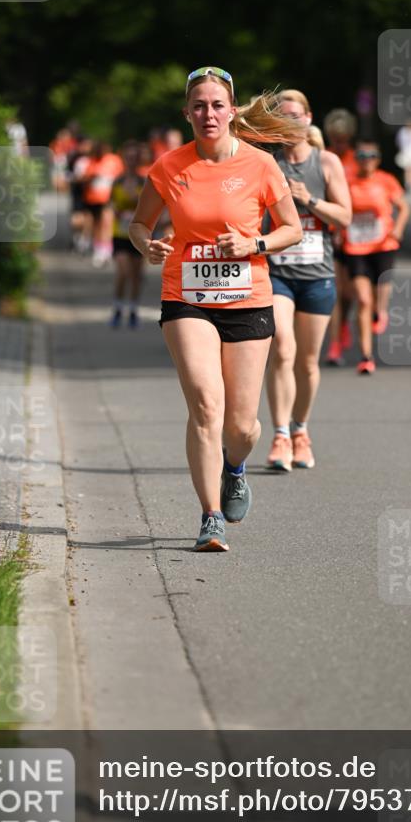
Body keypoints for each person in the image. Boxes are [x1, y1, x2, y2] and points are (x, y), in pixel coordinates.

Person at [129, 66, 304, 551]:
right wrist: (148, 246)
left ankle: (235, 468)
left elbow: (292, 229)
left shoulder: (261, 165)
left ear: (231, 111)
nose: (208, 114)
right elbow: (138, 224)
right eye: (199, 106)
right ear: (187, 113)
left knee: (242, 426)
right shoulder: (169, 166)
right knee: (206, 403)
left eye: (216, 105)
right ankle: (209, 517)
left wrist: (254, 243)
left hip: (248, 297)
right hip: (185, 296)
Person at [263, 90, 352, 471]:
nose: (291, 123)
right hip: (278, 272)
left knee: (308, 361)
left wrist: (308, 199)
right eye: (282, 118)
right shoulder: (268, 163)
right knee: (282, 347)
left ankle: (301, 430)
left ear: (308, 118)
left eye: (296, 116)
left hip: (318, 276)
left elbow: (344, 217)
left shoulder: (327, 162)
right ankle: (281, 435)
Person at [340, 141, 410, 374]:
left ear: (378, 159)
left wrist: (398, 228)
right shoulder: (348, 183)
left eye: (372, 155)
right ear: (357, 158)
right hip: (355, 247)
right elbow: (340, 210)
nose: (367, 159)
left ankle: (381, 311)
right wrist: (337, 232)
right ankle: (366, 356)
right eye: (362, 155)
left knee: (380, 290)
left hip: (383, 244)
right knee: (362, 299)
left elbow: (404, 207)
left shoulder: (386, 180)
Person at [323, 108, 359, 365]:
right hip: (332, 232)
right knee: (336, 290)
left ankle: (345, 323)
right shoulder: (323, 158)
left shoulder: (357, 160)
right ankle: (334, 345)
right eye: (336, 138)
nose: (340, 142)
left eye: (344, 138)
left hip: (356, 234)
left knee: (349, 293)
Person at [109, 142, 148, 328]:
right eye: (129, 158)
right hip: (120, 233)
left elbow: (151, 207)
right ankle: (117, 307)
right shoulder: (117, 181)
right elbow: (110, 203)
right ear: (124, 160)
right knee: (123, 272)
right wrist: (116, 210)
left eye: (135, 158)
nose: (131, 161)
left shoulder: (144, 182)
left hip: (140, 234)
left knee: (136, 275)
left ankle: (133, 309)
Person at [81, 141, 124, 267]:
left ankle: (106, 251)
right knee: (96, 225)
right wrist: (92, 177)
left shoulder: (114, 160)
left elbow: (121, 176)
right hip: (93, 199)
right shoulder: (91, 161)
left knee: (107, 223)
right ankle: (98, 249)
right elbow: (85, 179)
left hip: (108, 198)